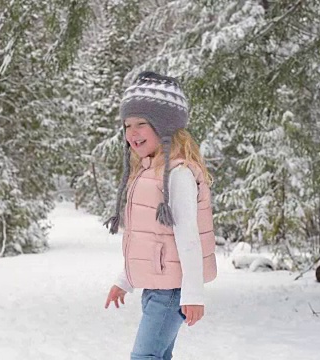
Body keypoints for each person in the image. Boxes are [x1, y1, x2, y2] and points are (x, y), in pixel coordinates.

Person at [103, 71, 218, 360]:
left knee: (144, 357)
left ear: (164, 126)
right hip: (156, 289)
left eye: (142, 123)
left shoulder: (177, 175)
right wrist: (125, 279)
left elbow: (188, 238)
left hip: (171, 292)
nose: (132, 132)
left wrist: (193, 294)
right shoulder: (148, 171)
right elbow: (147, 238)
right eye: (128, 124)